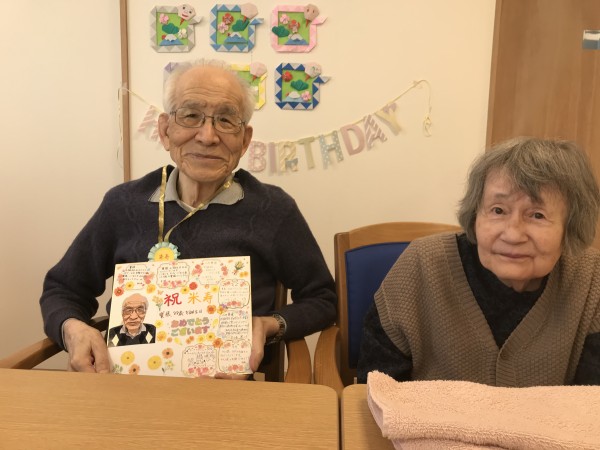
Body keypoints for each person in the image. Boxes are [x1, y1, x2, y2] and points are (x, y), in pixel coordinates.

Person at [40, 59, 336, 376]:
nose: (207, 136)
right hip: (125, 385)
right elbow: (63, 289)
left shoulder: (272, 209)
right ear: (165, 130)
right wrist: (74, 329)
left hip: (228, 388)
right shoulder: (123, 204)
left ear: (245, 140)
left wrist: (269, 324)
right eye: (191, 116)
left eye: (226, 120)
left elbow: (323, 299)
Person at [357, 137, 600, 386]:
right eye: (498, 210)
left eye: (537, 215)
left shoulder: (591, 279)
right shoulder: (422, 265)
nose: (513, 234)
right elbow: (376, 388)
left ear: (571, 226)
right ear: (475, 216)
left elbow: (593, 401)